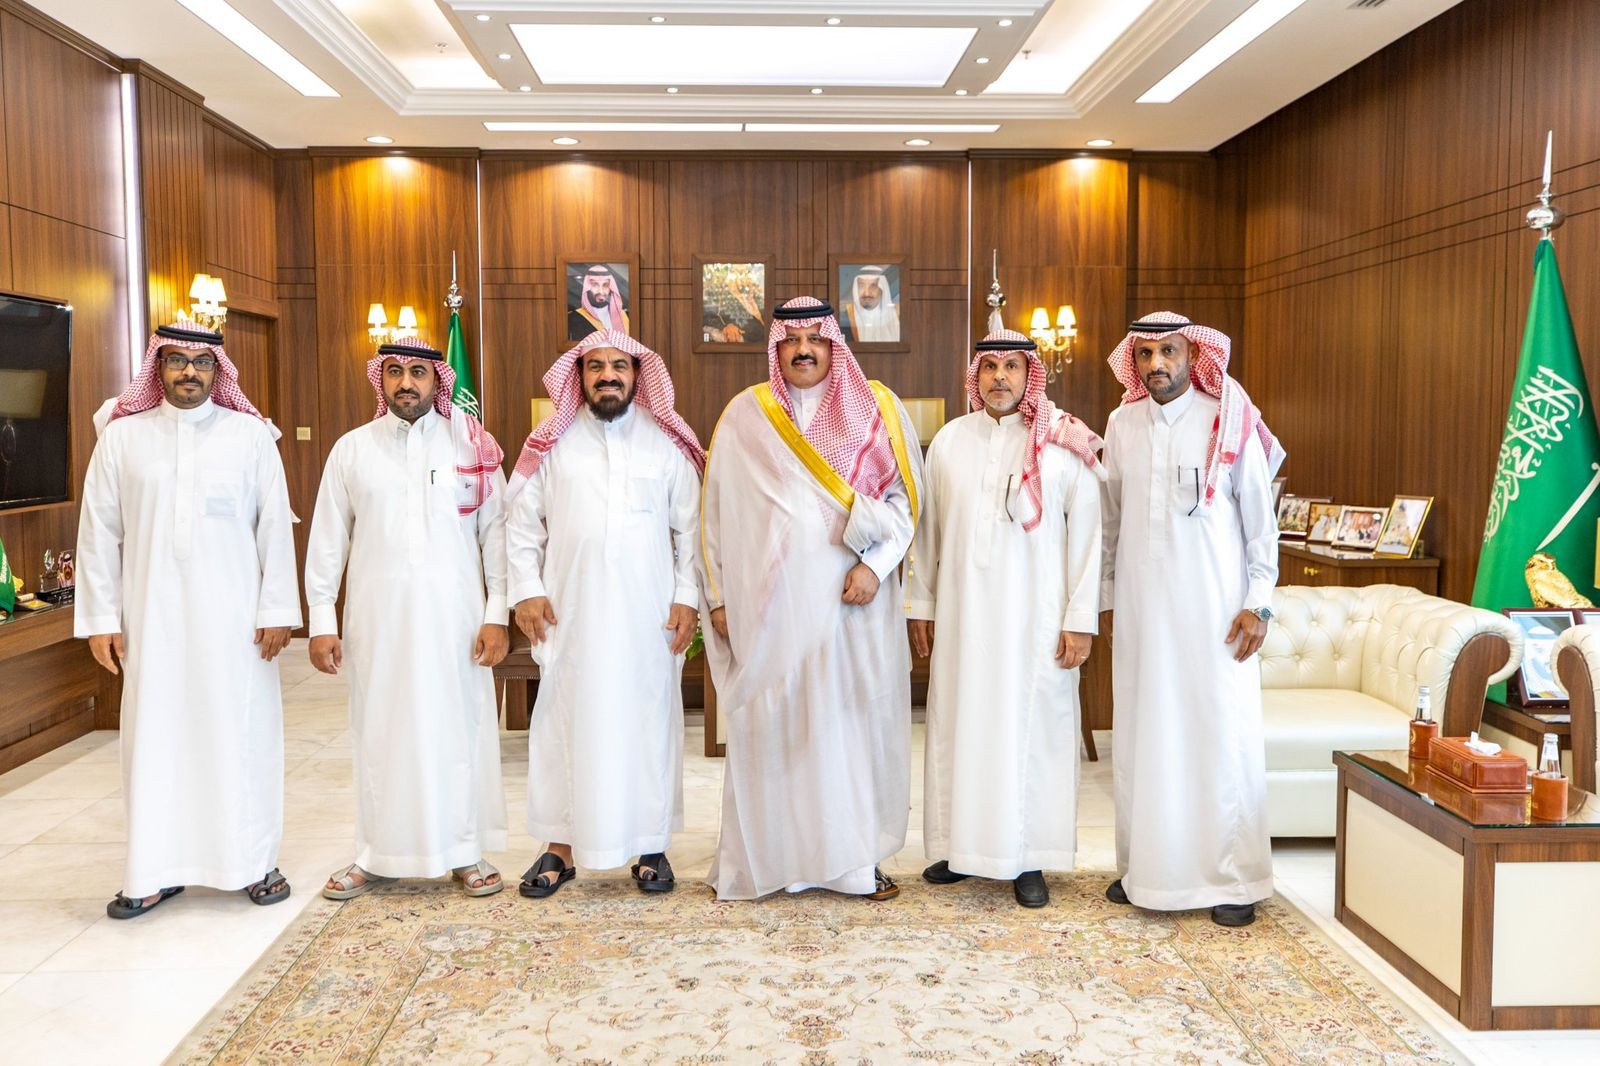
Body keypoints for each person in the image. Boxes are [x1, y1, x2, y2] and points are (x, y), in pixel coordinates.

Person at [701, 296, 924, 902]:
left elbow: (906, 506)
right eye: (791, 341)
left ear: (834, 344)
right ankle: (772, 863)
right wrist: (718, 598)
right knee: (775, 731)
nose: (803, 350)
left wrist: (875, 567)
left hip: (848, 609)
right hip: (769, 613)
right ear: (776, 349)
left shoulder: (875, 409)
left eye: (815, 339)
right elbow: (713, 515)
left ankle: (852, 863)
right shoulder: (745, 415)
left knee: (846, 731)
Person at [76, 320, 300, 918]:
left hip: (236, 626)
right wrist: (101, 618)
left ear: (217, 371)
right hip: (152, 621)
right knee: (156, 741)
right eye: (176, 360)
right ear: (157, 367)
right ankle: (152, 871)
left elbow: (275, 527)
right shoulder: (122, 439)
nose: (189, 372)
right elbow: (97, 534)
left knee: (241, 736)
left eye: (202, 362)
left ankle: (253, 862)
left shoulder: (251, 436)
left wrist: (278, 609)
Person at [304, 336, 511, 899]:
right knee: (380, 732)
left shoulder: (472, 446)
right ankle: (377, 853)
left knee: (459, 730)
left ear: (437, 379)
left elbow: (497, 535)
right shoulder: (352, 450)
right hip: (377, 622)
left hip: (457, 621)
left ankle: (464, 850)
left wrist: (497, 614)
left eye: (418, 371)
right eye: (394, 371)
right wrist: (321, 620)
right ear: (381, 379)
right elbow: (328, 540)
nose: (406, 382)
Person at [505, 330, 705, 897]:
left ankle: (650, 844)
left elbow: (692, 532)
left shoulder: (666, 445)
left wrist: (687, 597)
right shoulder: (552, 444)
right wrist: (526, 589)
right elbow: (521, 524)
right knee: (566, 720)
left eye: (620, 365)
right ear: (580, 376)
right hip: (571, 613)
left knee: (648, 722)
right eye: (595, 366)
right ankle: (560, 846)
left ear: (639, 375)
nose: (608, 375)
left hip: (650, 616)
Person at [1099, 312, 1284, 927]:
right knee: (1142, 736)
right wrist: (1104, 600)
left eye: (1170, 352)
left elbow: (1260, 523)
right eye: (1146, 354)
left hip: (1217, 616)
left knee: (1217, 736)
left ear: (1193, 354)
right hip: (1142, 612)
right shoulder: (1122, 424)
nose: (1157, 364)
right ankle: (1145, 869)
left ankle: (1233, 878)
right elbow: (1111, 521)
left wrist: (1260, 602)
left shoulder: (1227, 417)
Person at [907, 330, 1104, 908]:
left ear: (1029, 373)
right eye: (989, 366)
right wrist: (922, 605)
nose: (999, 376)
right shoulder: (949, 442)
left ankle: (1029, 856)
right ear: (976, 375)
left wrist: (1080, 619)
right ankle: (960, 848)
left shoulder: (1064, 443)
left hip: (1037, 623)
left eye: (1012, 366)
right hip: (964, 619)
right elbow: (928, 535)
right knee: (960, 725)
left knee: (1033, 732)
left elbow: (1089, 539)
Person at [840, 266, 900, 343]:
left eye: (873, 286)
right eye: (861, 286)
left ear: (882, 290)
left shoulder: (896, 315)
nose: (867, 293)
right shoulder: (845, 317)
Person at [569, 264, 629, 338]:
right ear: (587, 288)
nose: (601, 291)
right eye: (595, 285)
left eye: (605, 285)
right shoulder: (572, 319)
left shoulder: (626, 317)